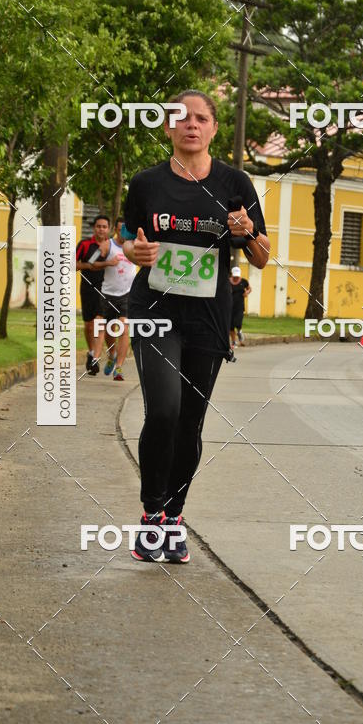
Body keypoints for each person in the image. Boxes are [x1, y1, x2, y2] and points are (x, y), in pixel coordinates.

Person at [121, 89, 270, 563]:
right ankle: (151, 515)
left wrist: (246, 233)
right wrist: (134, 254)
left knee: (190, 421)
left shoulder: (235, 183)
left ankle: (174, 518)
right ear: (168, 128)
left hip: (208, 317)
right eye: (181, 118)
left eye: (201, 118)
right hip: (154, 309)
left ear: (213, 129)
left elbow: (263, 257)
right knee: (163, 410)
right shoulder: (146, 184)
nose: (191, 125)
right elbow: (128, 242)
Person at [92, 217, 136, 381]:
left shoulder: (133, 244)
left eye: (126, 230)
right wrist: (108, 262)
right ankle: (109, 355)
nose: (124, 233)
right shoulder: (107, 244)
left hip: (126, 294)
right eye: (120, 230)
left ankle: (118, 368)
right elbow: (91, 261)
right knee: (105, 327)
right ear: (116, 230)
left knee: (124, 329)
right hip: (108, 293)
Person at [75, 214, 111, 375]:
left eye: (104, 227)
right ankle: (91, 353)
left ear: (108, 229)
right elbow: (73, 265)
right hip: (87, 288)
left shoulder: (112, 247)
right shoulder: (84, 244)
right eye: (98, 226)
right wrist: (89, 266)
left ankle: (96, 357)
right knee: (89, 325)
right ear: (94, 228)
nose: (101, 229)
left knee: (99, 322)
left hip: (105, 289)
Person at [229, 266, 251, 354]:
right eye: (235, 276)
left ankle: (240, 332)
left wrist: (246, 292)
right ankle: (234, 342)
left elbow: (249, 288)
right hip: (229, 306)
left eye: (237, 276)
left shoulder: (244, 282)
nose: (236, 278)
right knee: (230, 326)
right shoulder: (228, 281)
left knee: (238, 323)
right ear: (232, 275)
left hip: (239, 307)